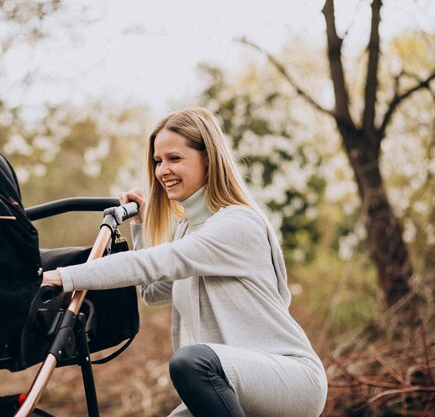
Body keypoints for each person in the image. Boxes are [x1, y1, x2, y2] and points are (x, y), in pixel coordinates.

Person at [43, 107, 327, 417]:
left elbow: (158, 262)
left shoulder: (237, 223)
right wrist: (140, 224)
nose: (162, 170)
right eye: (157, 161)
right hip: (230, 379)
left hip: (288, 377)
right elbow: (152, 292)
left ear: (208, 158)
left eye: (174, 159)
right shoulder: (188, 229)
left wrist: (59, 276)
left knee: (191, 362)